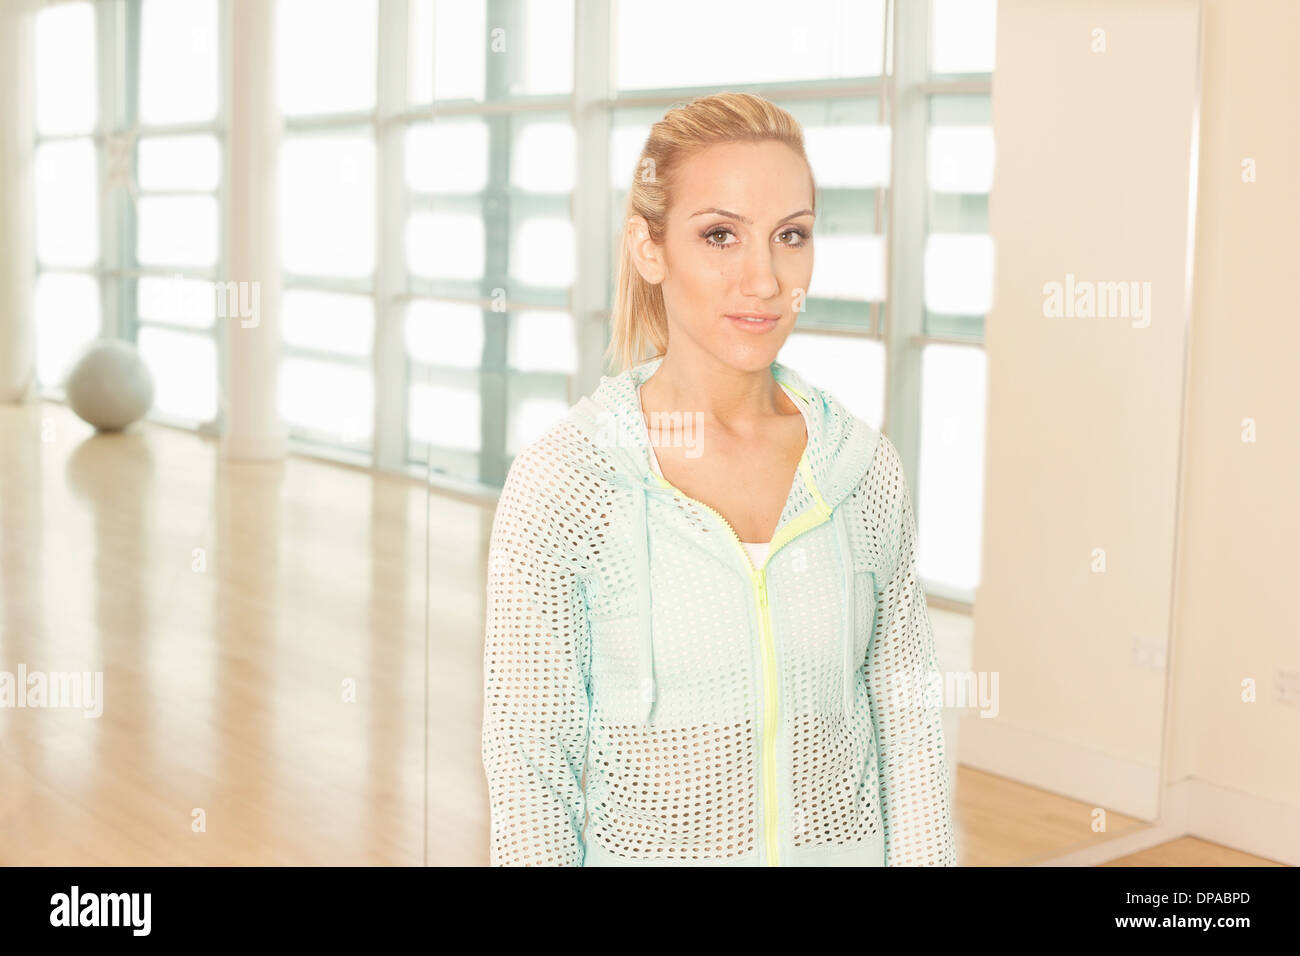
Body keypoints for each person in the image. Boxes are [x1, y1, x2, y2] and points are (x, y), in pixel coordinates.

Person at [481, 91, 956, 866]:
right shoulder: (568, 482)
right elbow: (532, 769)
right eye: (720, 236)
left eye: (790, 236)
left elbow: (907, 729)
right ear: (649, 248)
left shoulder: (863, 472)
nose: (764, 279)